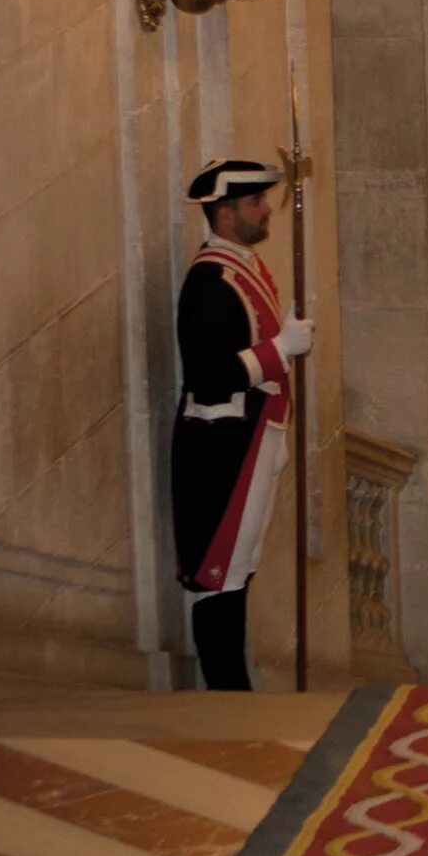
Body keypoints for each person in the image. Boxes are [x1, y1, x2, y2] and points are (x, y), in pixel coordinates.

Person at [172, 159, 312, 691]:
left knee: (240, 566)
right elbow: (208, 376)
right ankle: (226, 690)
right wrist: (279, 350)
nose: (265, 208)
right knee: (219, 572)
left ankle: (233, 684)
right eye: (255, 201)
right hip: (223, 444)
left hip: (253, 439)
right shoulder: (210, 279)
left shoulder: (244, 269)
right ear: (225, 213)